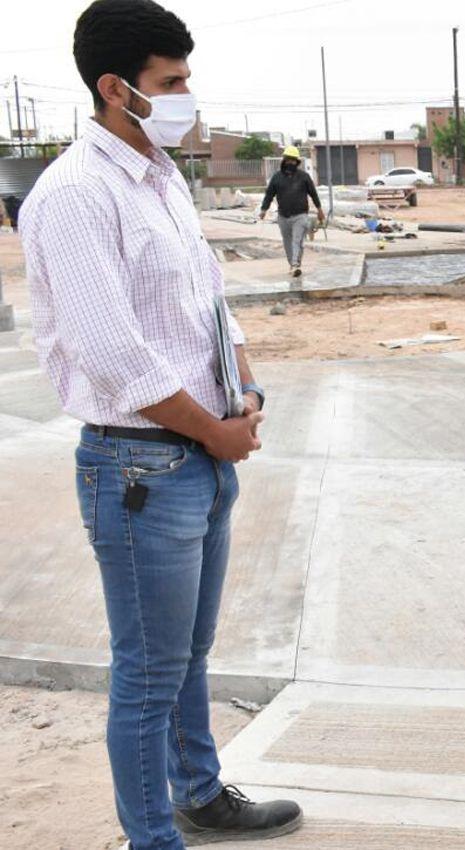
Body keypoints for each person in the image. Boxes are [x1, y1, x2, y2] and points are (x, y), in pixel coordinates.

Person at [19, 2, 301, 848]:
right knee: (147, 673)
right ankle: (154, 836)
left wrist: (242, 388)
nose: (187, 96)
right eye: (169, 82)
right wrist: (213, 434)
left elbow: (205, 300)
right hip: (140, 468)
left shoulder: (161, 176)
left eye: (186, 78)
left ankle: (200, 794)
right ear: (116, 89)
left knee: (188, 655)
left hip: (198, 460)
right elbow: (115, 355)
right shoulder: (75, 194)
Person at [257, 145, 323, 278]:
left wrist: (319, 210)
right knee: (287, 242)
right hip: (283, 216)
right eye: (288, 160)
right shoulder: (276, 178)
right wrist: (264, 210)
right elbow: (269, 195)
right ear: (284, 160)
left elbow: (313, 194)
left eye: (293, 160)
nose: (290, 163)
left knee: (297, 240)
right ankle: (293, 265)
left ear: (297, 162)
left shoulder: (304, 177)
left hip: (300, 215)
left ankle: (295, 264)